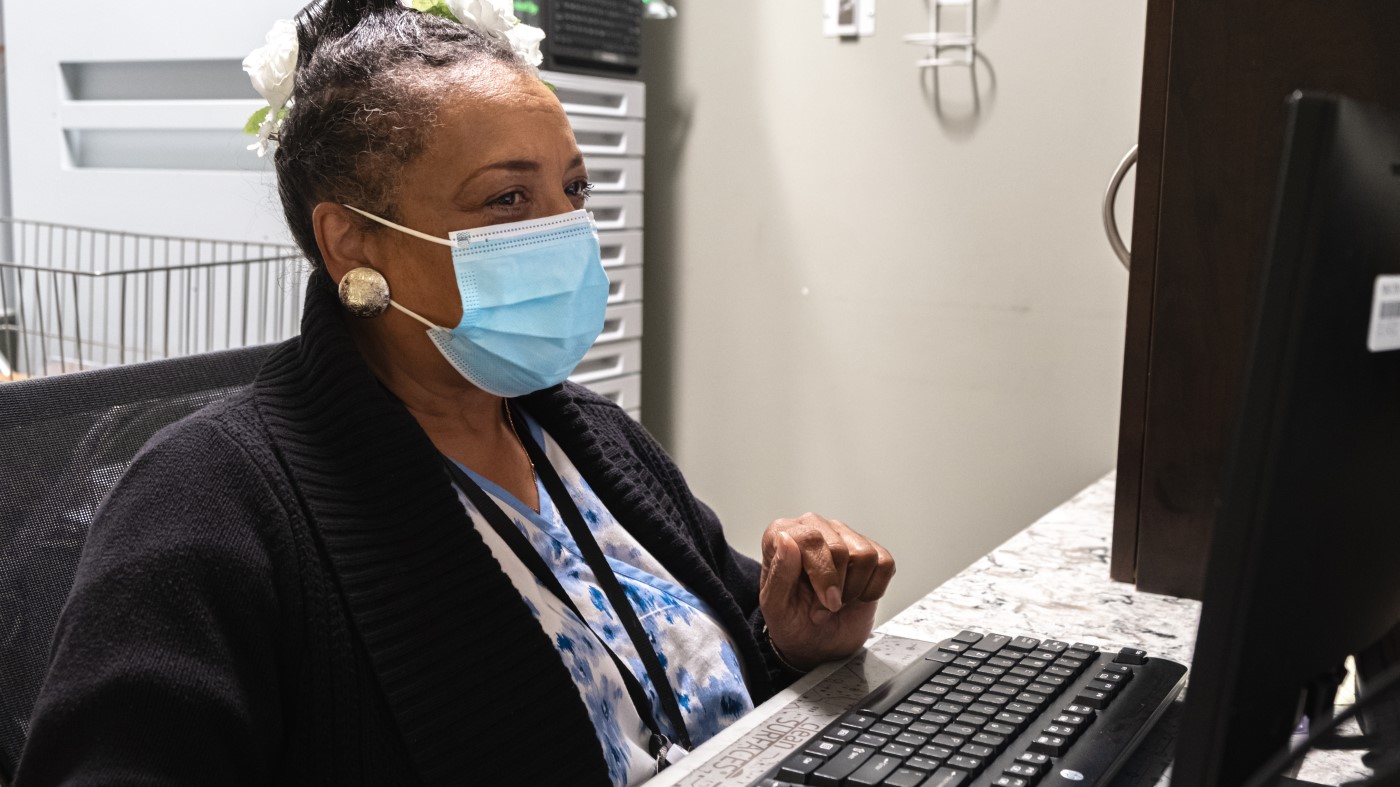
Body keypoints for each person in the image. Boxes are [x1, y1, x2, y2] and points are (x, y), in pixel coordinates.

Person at [15, 1, 895, 784]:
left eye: (573, 190)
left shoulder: (593, 439)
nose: (564, 229)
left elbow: (733, 671)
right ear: (354, 244)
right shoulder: (209, 502)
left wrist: (795, 641)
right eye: (507, 198)